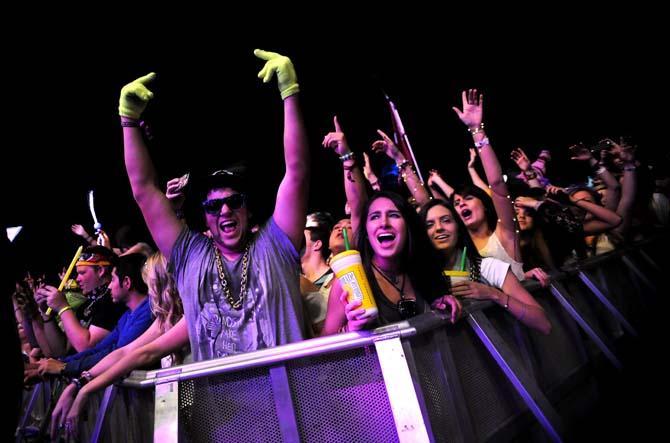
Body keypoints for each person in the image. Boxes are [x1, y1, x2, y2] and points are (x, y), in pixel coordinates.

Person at [119, 49, 308, 361]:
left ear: (248, 209)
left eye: (234, 202)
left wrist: (290, 94)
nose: (224, 211)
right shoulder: (191, 257)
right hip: (223, 408)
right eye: (213, 206)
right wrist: (128, 122)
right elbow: (144, 192)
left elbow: (297, 172)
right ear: (204, 217)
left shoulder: (275, 244)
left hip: (291, 402)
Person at [50, 252, 186, 440]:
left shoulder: (187, 316)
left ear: (164, 285)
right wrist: (80, 383)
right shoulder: (164, 319)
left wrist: (85, 388)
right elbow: (124, 351)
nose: (148, 293)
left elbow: (143, 354)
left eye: (150, 285)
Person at [322, 192, 461, 334]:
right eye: (375, 217)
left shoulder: (421, 271)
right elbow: (322, 350)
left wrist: (441, 303)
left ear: (408, 227)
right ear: (366, 233)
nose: (384, 223)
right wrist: (350, 330)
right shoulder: (348, 282)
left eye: (394, 215)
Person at [420, 199, 551, 334]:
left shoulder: (489, 267)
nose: (438, 227)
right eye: (429, 224)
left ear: (458, 228)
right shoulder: (420, 279)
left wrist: (493, 294)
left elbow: (543, 323)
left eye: (446, 220)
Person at [34, 254, 153, 378]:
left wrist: (65, 367)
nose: (110, 286)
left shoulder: (147, 310)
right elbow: (99, 350)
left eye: (82, 273)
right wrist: (59, 363)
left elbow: (112, 353)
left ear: (127, 282)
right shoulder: (127, 315)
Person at [33, 246, 126, 356]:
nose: (77, 279)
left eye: (82, 273)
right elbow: (61, 351)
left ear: (100, 270)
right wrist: (46, 315)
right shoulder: (86, 305)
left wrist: (63, 307)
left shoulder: (111, 301)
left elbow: (85, 348)